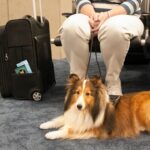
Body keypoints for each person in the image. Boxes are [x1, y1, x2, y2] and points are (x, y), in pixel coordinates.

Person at [59, 0, 144, 105]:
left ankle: (112, 83)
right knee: (71, 27)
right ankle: (77, 84)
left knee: (114, 29)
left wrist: (107, 16)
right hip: (88, 14)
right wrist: (94, 16)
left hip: (125, 16)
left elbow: (133, 2)